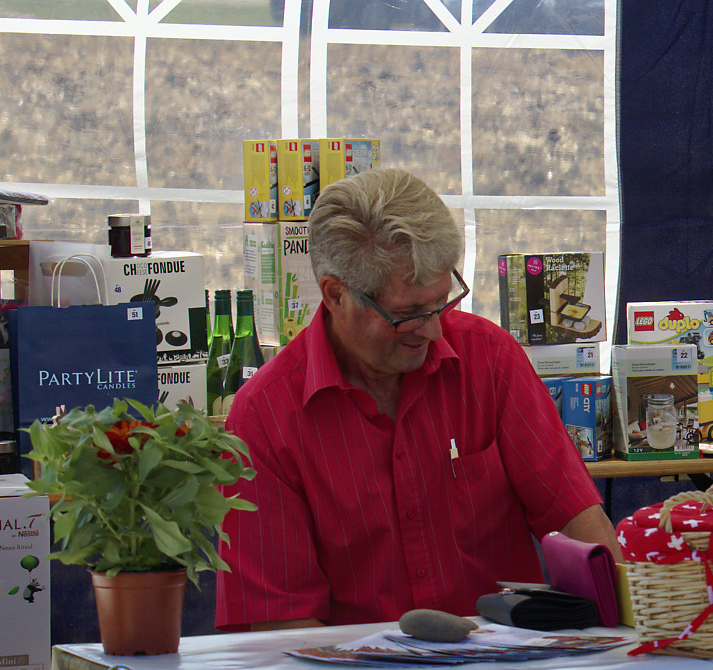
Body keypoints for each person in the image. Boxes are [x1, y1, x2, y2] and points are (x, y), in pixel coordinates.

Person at [217, 168, 616, 630]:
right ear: (335, 295)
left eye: (442, 302)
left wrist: (627, 624)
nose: (433, 329)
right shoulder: (264, 417)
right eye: (408, 314)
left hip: (508, 665)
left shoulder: (488, 358)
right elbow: (280, 623)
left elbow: (576, 520)